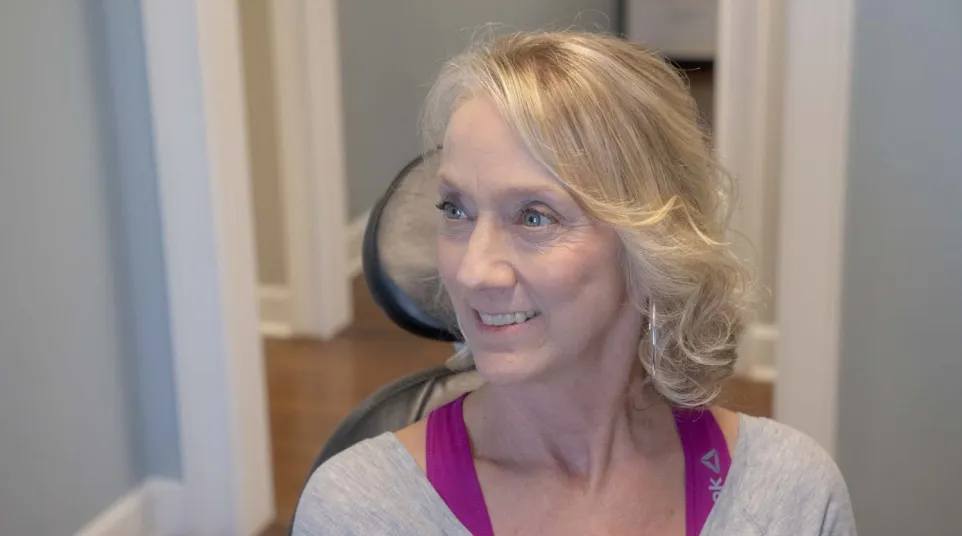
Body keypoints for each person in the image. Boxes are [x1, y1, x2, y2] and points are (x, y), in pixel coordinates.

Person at [292, 31, 856, 535]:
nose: (472, 271)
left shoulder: (793, 498)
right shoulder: (362, 511)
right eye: (455, 209)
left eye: (535, 216)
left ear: (653, 248)